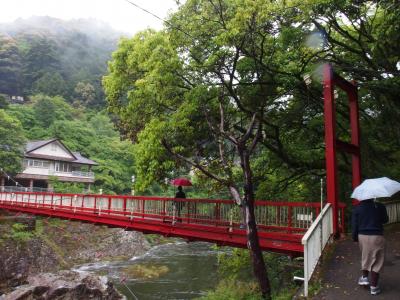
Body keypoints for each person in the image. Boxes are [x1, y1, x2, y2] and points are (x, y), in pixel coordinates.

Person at [352, 198, 389, 295]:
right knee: (377, 261)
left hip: (362, 236)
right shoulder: (380, 206)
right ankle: (374, 287)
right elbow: (385, 220)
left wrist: (355, 238)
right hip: (377, 236)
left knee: (366, 256)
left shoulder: (357, 208)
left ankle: (364, 278)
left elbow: (355, 225)